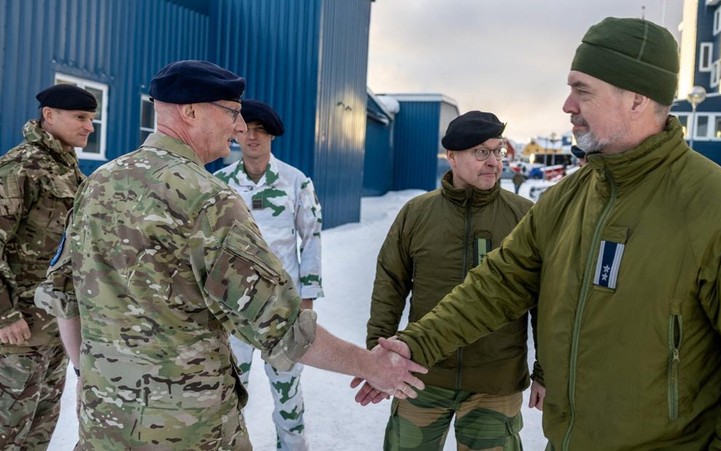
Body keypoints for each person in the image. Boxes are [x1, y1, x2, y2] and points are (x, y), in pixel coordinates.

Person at [364, 17, 721, 449]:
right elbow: (494, 286)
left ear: (636, 98)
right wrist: (414, 344)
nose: (567, 106)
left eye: (582, 89)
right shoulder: (566, 200)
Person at [33, 60, 426, 450]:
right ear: (189, 112)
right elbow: (283, 327)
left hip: (104, 420)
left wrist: (88, 370)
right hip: (187, 429)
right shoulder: (208, 198)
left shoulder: (98, 181)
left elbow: (63, 295)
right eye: (232, 113)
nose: (239, 128)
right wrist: (370, 365)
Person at [360, 111, 545, 450]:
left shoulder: (525, 217)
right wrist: (378, 356)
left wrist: (545, 371)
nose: (493, 161)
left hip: (495, 382)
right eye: (481, 152)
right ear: (452, 157)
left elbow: (545, 301)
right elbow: (390, 285)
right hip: (422, 376)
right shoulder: (417, 214)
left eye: (497, 151)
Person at [214, 99, 322, 450]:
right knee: (229, 386)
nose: (253, 137)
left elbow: (312, 240)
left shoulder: (295, 182)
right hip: (233, 306)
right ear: (236, 134)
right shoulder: (219, 183)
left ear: (272, 136)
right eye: (246, 130)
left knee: (287, 389)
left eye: (261, 131)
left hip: (282, 306)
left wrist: (306, 302)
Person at [0, 84, 96, 449]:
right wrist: (4, 315)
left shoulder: (69, 170)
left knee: (39, 431)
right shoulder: (20, 167)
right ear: (49, 116)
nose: (89, 126)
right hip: (17, 335)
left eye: (91, 119)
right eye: (81, 118)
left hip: (55, 329)